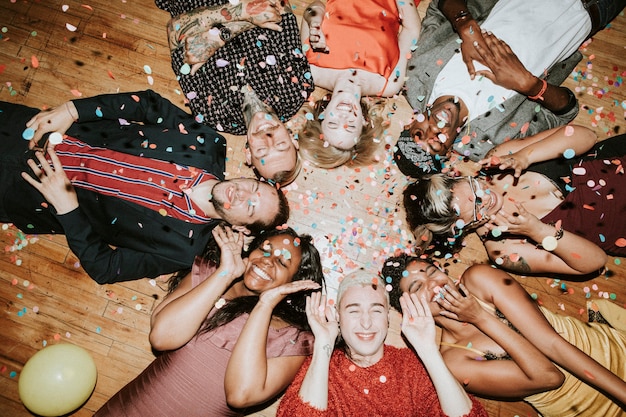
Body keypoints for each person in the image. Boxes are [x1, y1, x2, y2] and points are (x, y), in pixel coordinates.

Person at [0, 90, 289, 284]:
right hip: (32, 131)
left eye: (250, 206)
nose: (242, 194)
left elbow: (105, 268)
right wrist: (73, 109)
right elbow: (148, 103)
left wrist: (69, 211)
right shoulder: (209, 144)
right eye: (254, 188)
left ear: (241, 229)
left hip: (19, 194)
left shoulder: (182, 250)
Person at [95, 224, 325, 416]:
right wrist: (224, 273)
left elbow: (240, 395)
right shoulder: (208, 275)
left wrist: (266, 304)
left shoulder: (293, 339)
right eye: (265, 249)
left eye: (282, 262)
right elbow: (161, 337)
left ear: (294, 283)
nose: (267, 260)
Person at [395, 0, 626, 177]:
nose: (433, 130)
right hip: (593, 9)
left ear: (412, 122)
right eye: (436, 143)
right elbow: (567, 112)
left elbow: (439, 5)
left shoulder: (416, 76)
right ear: (447, 151)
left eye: (419, 133)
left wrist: (464, 24)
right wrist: (531, 86)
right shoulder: (493, 140)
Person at [382, 255, 626, 416]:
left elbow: (552, 343)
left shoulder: (479, 280)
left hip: (613, 353)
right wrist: (481, 319)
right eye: (417, 287)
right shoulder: (455, 360)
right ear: (410, 308)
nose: (433, 284)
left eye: (431, 271)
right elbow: (550, 377)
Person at [402, 125, 626, 276]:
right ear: (458, 228)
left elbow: (587, 136)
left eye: (474, 188)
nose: (486, 198)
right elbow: (596, 261)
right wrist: (538, 231)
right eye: (477, 209)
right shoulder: (504, 251)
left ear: (456, 178)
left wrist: (525, 156)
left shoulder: (500, 157)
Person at [276, 269, 488, 416]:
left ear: (387, 317)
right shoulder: (318, 368)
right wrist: (324, 344)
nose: (366, 322)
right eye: (354, 310)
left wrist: (428, 350)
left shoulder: (410, 367)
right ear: (337, 316)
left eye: (376, 310)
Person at [156, 0, 313, 185]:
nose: (267, 138)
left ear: (248, 154)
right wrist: (222, 33)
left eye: (262, 151)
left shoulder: (211, 114)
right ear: (293, 141)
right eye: (281, 145)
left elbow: (175, 28)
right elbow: (277, 7)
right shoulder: (297, 88)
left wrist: (243, 18)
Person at [295, 0, 421, 169]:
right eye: (351, 126)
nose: (344, 116)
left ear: (322, 116)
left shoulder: (312, 69)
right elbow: (411, 30)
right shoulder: (389, 84)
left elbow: (315, 5)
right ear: (363, 122)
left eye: (333, 123)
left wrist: (315, 21)